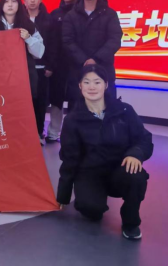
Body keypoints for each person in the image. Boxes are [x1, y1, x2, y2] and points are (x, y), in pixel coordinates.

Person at [57, 64, 153, 240]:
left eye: (97, 82)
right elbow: (69, 158)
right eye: (86, 82)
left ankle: (131, 222)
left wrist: (135, 153)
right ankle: (95, 199)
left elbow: (144, 138)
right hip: (90, 173)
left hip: (120, 169)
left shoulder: (124, 111)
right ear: (80, 86)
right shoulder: (73, 119)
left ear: (106, 85)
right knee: (91, 211)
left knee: (136, 176)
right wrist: (63, 195)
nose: (92, 87)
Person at [0, 0, 45, 130]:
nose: (10, 4)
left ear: (19, 4)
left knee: (24, 109)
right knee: (2, 109)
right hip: (0, 77)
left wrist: (28, 38)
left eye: (14, 1)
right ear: (1, 5)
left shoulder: (28, 25)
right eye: (6, 1)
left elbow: (39, 53)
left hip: (24, 76)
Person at [62, 0, 122, 105]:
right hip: (78, 68)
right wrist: (84, 60)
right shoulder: (71, 15)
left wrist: (96, 59)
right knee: (78, 107)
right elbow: (67, 40)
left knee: (106, 106)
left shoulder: (110, 14)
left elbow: (115, 39)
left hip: (103, 67)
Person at [46, 0, 80, 142]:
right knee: (56, 99)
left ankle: (71, 134)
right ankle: (53, 132)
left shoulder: (83, 12)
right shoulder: (55, 14)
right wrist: (51, 63)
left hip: (77, 62)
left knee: (76, 98)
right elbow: (51, 40)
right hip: (58, 63)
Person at [23, 0, 53, 145]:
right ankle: (25, 134)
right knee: (24, 102)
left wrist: (50, 65)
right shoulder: (19, 19)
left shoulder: (48, 20)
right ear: (24, 0)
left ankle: (39, 132)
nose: (32, 0)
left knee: (40, 102)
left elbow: (53, 44)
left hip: (42, 68)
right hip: (23, 68)